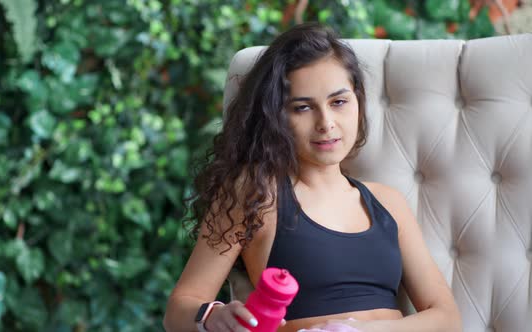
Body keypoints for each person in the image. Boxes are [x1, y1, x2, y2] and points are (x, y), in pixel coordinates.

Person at [163, 22, 462, 332]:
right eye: (303, 108)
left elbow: (446, 318)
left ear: (358, 102)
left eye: (339, 102)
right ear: (275, 116)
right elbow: (179, 308)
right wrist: (211, 316)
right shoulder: (256, 194)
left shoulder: (387, 202)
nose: (326, 123)